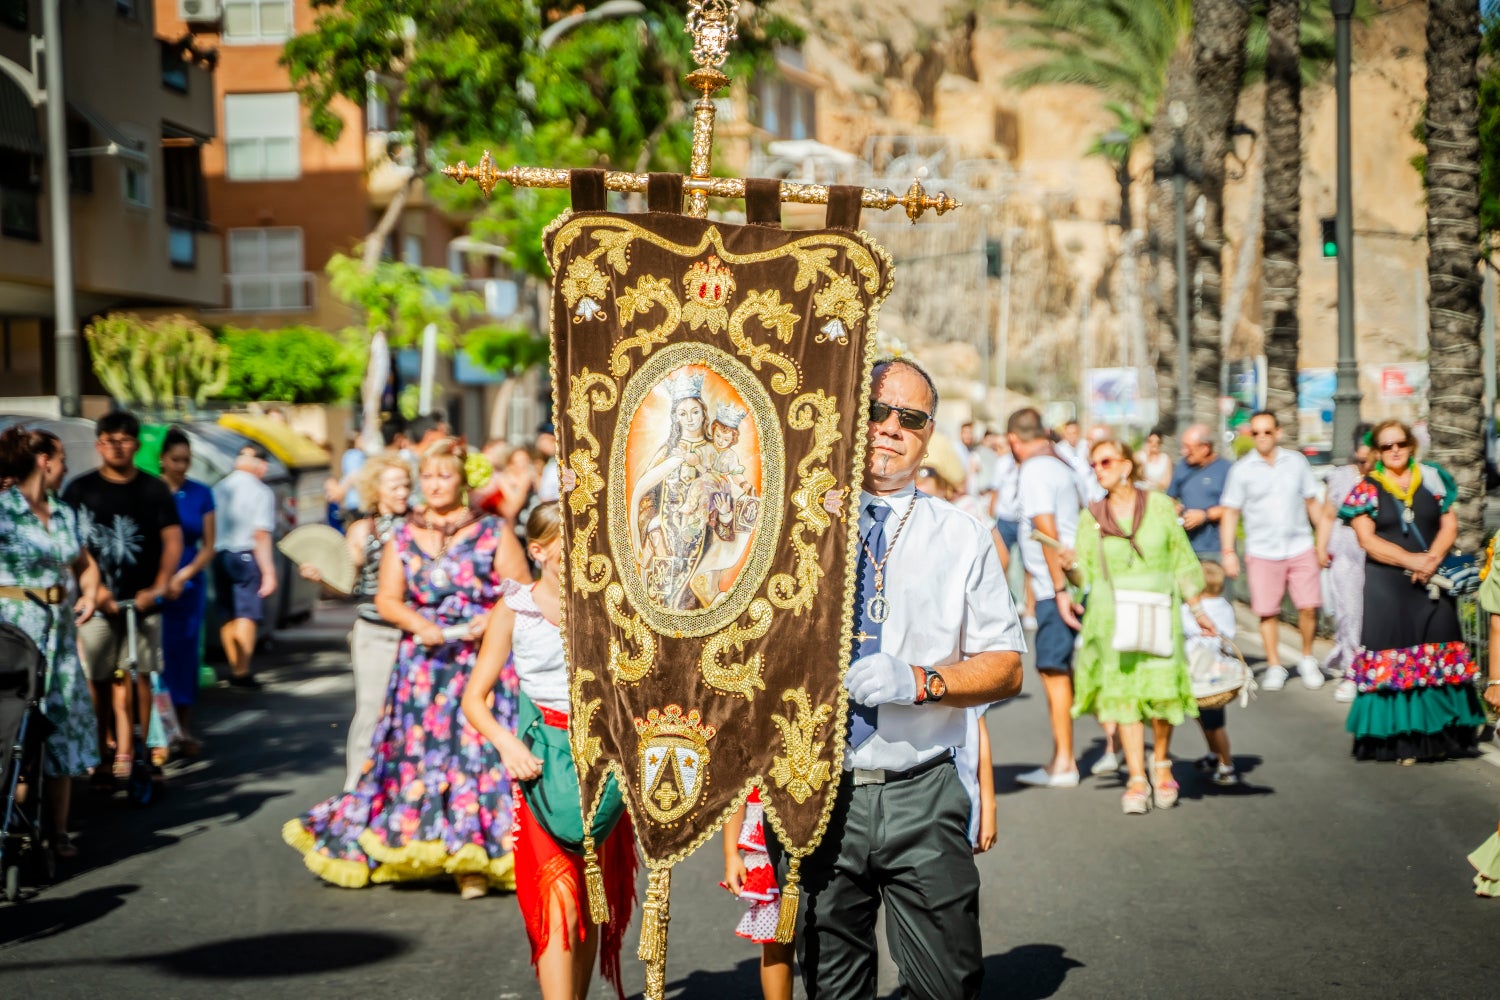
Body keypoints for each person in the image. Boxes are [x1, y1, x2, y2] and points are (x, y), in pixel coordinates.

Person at [770, 357, 1025, 1000]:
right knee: (833, 985)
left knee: (949, 985)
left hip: (923, 789)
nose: (888, 428)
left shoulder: (963, 535)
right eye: (876, 411)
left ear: (928, 432)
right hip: (821, 792)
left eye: (908, 418)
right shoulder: (793, 526)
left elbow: (1006, 665)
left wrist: (917, 681)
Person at [283, 438, 530, 896]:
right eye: (429, 477)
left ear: (462, 481)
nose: (435, 485)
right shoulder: (403, 533)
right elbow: (387, 599)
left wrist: (490, 619)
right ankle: (418, 842)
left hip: (479, 660)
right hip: (423, 665)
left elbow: (520, 590)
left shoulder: (492, 530)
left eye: (445, 476)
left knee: (475, 756)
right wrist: (420, 624)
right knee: (417, 756)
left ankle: (471, 859)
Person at [463, 502, 637, 1000]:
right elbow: (474, 699)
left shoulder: (612, 603)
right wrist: (508, 743)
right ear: (538, 551)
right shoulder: (513, 610)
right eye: (569, 541)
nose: (582, 550)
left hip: (605, 762)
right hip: (543, 763)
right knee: (557, 895)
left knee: (588, 898)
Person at [1072, 438, 1211, 814]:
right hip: (1113, 617)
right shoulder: (1092, 516)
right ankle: (1136, 775)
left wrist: (1198, 609)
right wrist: (1066, 564)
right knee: (1126, 696)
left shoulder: (1160, 507)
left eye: (1105, 461)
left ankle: (1161, 762)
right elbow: (1081, 573)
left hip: (1158, 612)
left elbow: (1182, 559)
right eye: (1094, 464)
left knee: (1163, 693)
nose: (1098, 469)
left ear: (1126, 465)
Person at [1338, 420, 1483, 763]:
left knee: (1441, 651)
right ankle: (1402, 743)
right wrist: (1411, 561)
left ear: (1411, 444)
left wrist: (1430, 560)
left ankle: (1447, 737)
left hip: (1432, 582)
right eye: (1386, 446)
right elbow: (1366, 539)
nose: (1394, 451)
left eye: (1400, 443)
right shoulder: (1366, 487)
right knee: (1395, 657)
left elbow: (1449, 522)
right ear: (1376, 451)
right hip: (1387, 585)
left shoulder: (1432, 477)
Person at [63, 410, 182, 783]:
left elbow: (172, 540)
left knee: (140, 675)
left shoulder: (153, 489)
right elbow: (69, 546)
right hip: (96, 604)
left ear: (135, 444)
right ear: (99, 445)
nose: (116, 447)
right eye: (109, 440)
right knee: (98, 679)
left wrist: (159, 586)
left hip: (142, 603)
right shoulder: (79, 490)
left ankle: (141, 751)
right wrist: (94, 592)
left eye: (124, 440)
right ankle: (101, 751)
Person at [0, 427, 99, 859]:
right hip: (14, 631)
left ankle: (58, 833)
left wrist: (91, 593)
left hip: (59, 631)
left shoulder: (64, 513)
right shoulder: (3, 511)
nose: (66, 466)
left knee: (61, 723)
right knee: (16, 724)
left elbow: (84, 564)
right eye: (61, 458)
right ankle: (14, 819)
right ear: (45, 461)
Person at [299, 453, 412, 791]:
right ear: (376, 490)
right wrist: (322, 578)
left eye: (407, 485)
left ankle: (404, 786)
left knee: (413, 713)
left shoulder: (421, 525)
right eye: (395, 486)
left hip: (415, 631)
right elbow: (346, 585)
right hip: (375, 632)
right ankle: (356, 787)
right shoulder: (364, 530)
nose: (403, 492)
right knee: (372, 711)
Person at [1219, 411, 1324, 691]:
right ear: (1251, 436)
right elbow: (1230, 512)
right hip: (1262, 550)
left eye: (1267, 431)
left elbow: (1313, 503)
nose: (1262, 437)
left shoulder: (1296, 462)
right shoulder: (1242, 470)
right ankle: (1276, 664)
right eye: (1256, 433)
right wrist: (1228, 551)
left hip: (1300, 544)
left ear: (1277, 432)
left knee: (1309, 606)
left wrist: (1324, 541)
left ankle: (1306, 657)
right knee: (1267, 611)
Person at [1009, 407, 1086, 787]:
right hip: (1071, 580)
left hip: (1056, 587)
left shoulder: (1036, 470)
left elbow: (1046, 530)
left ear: (1013, 439)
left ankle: (1065, 762)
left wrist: (1057, 590)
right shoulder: (1061, 464)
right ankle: (1098, 752)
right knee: (1068, 669)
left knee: (1053, 670)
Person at [157, 428, 215, 754]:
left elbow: (208, 546)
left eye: (186, 460)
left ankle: (184, 728)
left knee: (185, 657)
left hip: (189, 583)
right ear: (162, 460)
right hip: (156, 582)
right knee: (157, 659)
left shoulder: (202, 493)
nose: (181, 466)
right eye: (175, 459)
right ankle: (161, 733)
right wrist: (164, 579)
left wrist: (183, 575)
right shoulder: (151, 491)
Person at [211, 445, 278, 690]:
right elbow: (260, 534)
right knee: (247, 613)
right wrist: (269, 572)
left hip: (220, 554)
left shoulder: (219, 487)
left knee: (227, 612)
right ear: (261, 465)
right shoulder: (260, 491)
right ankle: (242, 669)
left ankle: (233, 664)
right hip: (245, 555)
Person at [1317, 424, 1374, 703]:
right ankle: (1353, 672)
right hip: (1346, 557)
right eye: (1361, 460)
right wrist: (1320, 548)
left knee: (1373, 617)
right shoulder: (1340, 477)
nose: (1366, 466)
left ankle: (1374, 670)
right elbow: (1327, 516)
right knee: (1348, 615)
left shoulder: (1386, 478)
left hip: (1377, 559)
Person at [722, 790, 794, 1000]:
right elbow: (736, 778)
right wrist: (730, 853)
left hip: (827, 810)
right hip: (766, 817)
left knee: (829, 933)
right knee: (777, 939)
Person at [1181, 561, 1242, 786]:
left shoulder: (1188, 610)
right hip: (1218, 671)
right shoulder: (1225, 606)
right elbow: (1229, 635)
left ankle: (1227, 764)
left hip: (1199, 671)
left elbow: (1181, 631)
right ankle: (1214, 754)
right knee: (1206, 718)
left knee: (1213, 723)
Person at [1167, 424, 1233, 563]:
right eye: (1183, 447)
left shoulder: (1226, 470)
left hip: (1215, 549)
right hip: (1186, 547)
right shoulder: (1182, 467)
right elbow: (1170, 497)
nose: (1184, 452)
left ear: (1205, 448)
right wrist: (1173, 508)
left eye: (1189, 448)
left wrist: (1204, 516)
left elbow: (1232, 508)